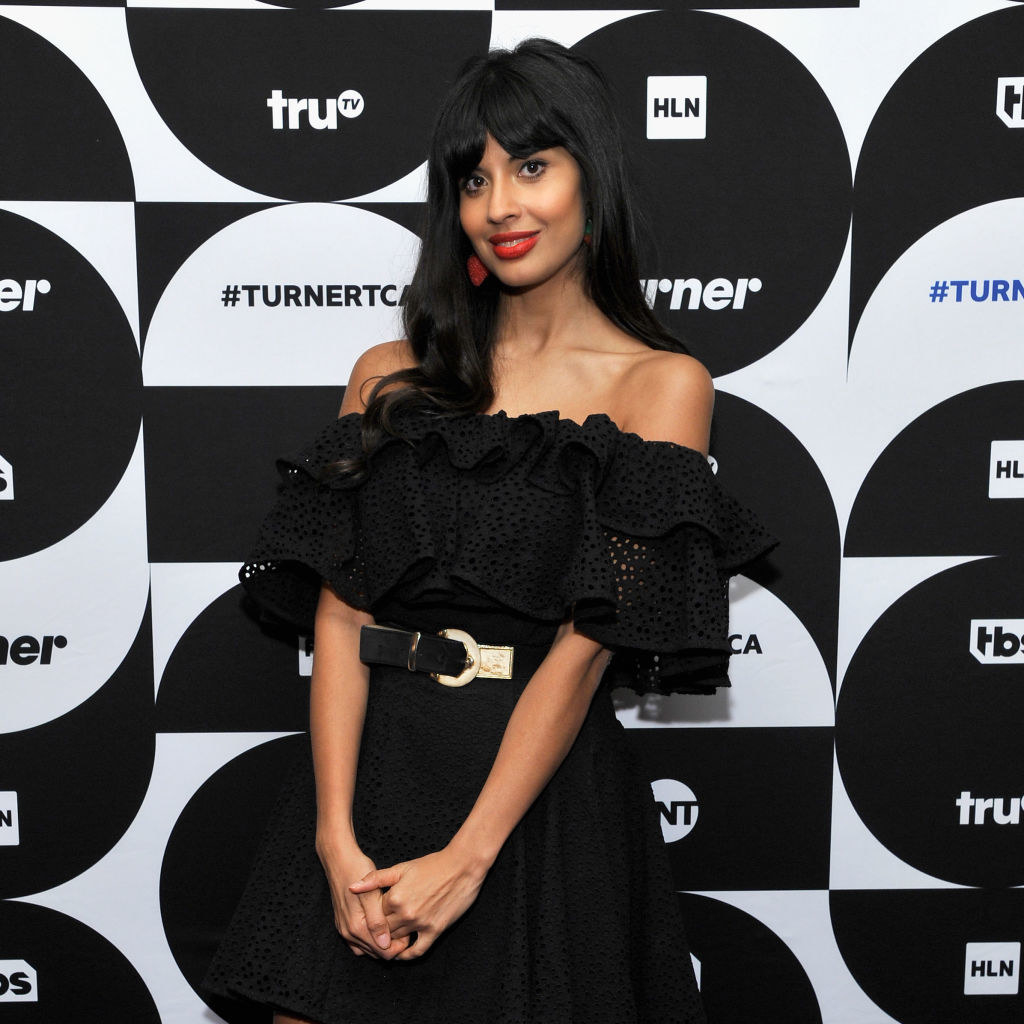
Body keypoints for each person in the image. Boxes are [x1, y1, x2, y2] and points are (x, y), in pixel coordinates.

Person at [203, 37, 775, 1024]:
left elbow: (588, 649)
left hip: (535, 809)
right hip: (371, 778)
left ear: (592, 179)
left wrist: (468, 861)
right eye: (474, 177)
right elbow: (340, 611)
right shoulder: (388, 372)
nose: (500, 203)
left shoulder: (660, 387)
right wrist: (335, 839)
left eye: (531, 166)